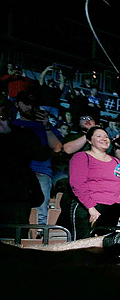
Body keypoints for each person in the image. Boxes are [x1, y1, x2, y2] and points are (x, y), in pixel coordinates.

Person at [0, 97, 52, 238]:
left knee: (14, 241)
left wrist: (9, 133)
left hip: (17, 196)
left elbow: (42, 155)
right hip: (14, 195)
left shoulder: (23, 135)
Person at [11, 91, 63, 227]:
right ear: (17, 104)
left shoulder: (46, 127)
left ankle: (39, 239)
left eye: (33, 105)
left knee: (41, 209)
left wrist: (46, 125)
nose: (30, 107)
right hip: (14, 173)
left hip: (41, 172)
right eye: (26, 103)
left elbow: (57, 147)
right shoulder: (11, 125)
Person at [65, 126, 120, 239]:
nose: (104, 139)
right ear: (89, 140)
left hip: (111, 209)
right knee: (83, 246)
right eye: (99, 136)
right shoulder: (81, 157)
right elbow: (78, 184)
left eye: (106, 137)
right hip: (89, 208)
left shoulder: (115, 161)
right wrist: (91, 208)